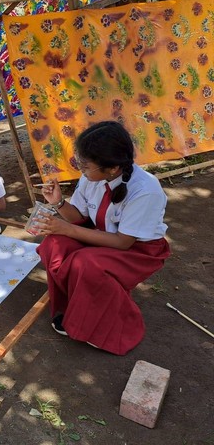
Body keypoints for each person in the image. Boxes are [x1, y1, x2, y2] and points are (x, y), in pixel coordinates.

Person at [35, 121, 171, 355]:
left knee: (85, 263)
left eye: (85, 166)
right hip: (101, 235)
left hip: (138, 251)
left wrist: (67, 230)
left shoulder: (145, 190)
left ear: (113, 168)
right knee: (53, 245)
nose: (81, 170)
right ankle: (75, 304)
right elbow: (78, 216)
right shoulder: (92, 178)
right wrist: (58, 203)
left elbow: (123, 242)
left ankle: (103, 326)